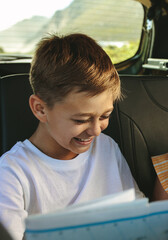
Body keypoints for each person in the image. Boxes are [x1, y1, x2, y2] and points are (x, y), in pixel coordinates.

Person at [0, 33, 142, 240]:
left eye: (105, 116)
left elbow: (136, 215)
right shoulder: (12, 173)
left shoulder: (107, 147)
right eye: (80, 120)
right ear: (40, 109)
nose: (96, 130)